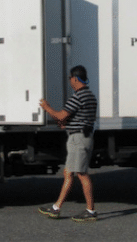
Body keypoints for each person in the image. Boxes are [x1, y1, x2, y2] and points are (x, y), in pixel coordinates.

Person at [38, 65, 98, 222]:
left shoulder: (78, 97)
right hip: (81, 136)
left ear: (76, 79)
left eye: (70, 78)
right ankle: (56, 208)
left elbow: (60, 115)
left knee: (82, 174)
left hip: (78, 139)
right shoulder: (90, 96)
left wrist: (47, 107)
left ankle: (90, 211)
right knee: (68, 173)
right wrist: (68, 125)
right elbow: (82, 118)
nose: (70, 81)